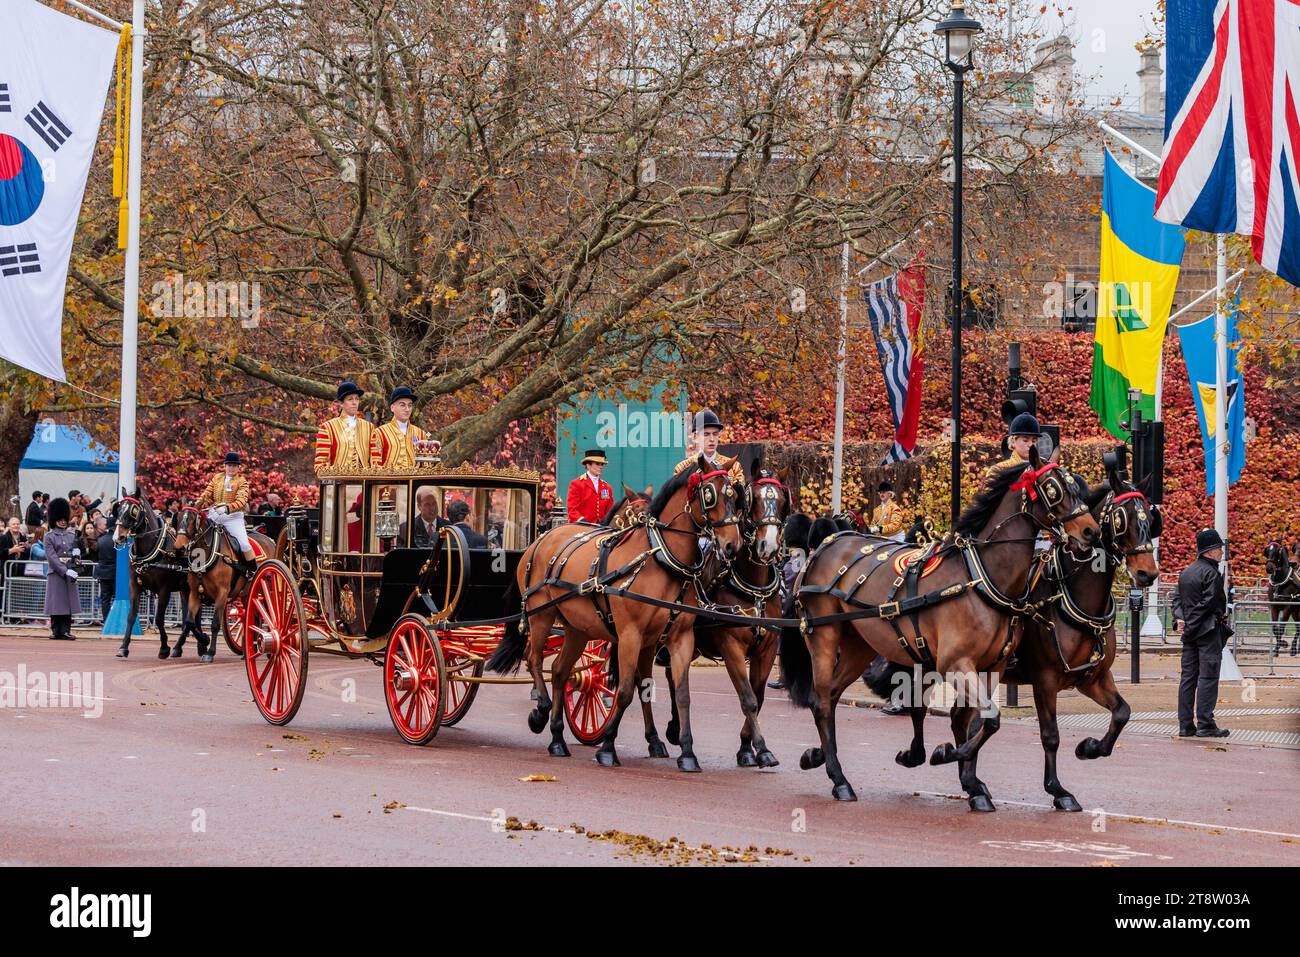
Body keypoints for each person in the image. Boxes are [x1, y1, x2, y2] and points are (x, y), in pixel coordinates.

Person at [1172, 528, 1232, 738]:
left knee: (1188, 678)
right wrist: (1192, 623)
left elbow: (1177, 601)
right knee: (1208, 677)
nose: (1221, 552)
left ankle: (1185, 724)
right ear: (1209, 551)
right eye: (1218, 549)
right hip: (1208, 631)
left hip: (1190, 634)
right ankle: (1206, 723)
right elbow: (1208, 604)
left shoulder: (1186, 572)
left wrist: (1181, 620)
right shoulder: (1212, 573)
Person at [195, 451, 258, 577]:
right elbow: (207, 494)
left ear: (238, 468)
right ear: (225, 466)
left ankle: (252, 571)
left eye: (234, 466)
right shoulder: (217, 478)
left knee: (244, 543)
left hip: (233, 518)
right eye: (229, 465)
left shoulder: (242, 481)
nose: (231, 468)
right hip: (215, 515)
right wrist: (197, 505)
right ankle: (197, 567)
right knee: (198, 536)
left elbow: (241, 501)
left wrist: (227, 508)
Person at [372, 386, 439, 469]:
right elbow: (375, 468)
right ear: (392, 408)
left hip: (415, 481)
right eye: (402, 405)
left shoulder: (421, 434)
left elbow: (426, 467)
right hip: (389, 481)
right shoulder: (379, 433)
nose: (407, 409)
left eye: (410, 405)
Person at [314, 380, 375, 472]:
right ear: (341, 403)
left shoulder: (369, 427)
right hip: (338, 484)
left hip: (364, 483)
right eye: (350, 399)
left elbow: (375, 462)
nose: (354, 402)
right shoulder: (327, 427)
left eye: (357, 399)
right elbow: (320, 466)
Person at [673, 409, 745, 485]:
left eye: (715, 434)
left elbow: (739, 496)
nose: (712, 439)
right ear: (695, 437)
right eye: (706, 434)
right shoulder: (682, 469)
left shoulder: (734, 467)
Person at [42, 497, 80, 640]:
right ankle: (55, 630)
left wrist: (77, 557)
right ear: (54, 519)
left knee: (67, 603)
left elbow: (74, 552)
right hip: (56, 573)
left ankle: (65, 630)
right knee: (56, 602)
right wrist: (65, 570)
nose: (63, 521)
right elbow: (51, 557)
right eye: (60, 519)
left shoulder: (71, 535)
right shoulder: (49, 536)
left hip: (69, 571)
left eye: (64, 519)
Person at [566, 449, 614, 523]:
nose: (601, 467)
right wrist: (584, 522)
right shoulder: (577, 484)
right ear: (588, 465)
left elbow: (609, 511)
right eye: (597, 464)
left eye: (602, 464)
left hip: (602, 530)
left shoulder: (607, 487)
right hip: (581, 528)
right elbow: (572, 511)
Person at [95, 519, 117, 623]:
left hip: (103, 572)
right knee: (117, 598)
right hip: (116, 573)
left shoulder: (101, 539)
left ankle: (106, 620)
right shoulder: (118, 540)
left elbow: (97, 556)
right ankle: (115, 620)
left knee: (105, 599)